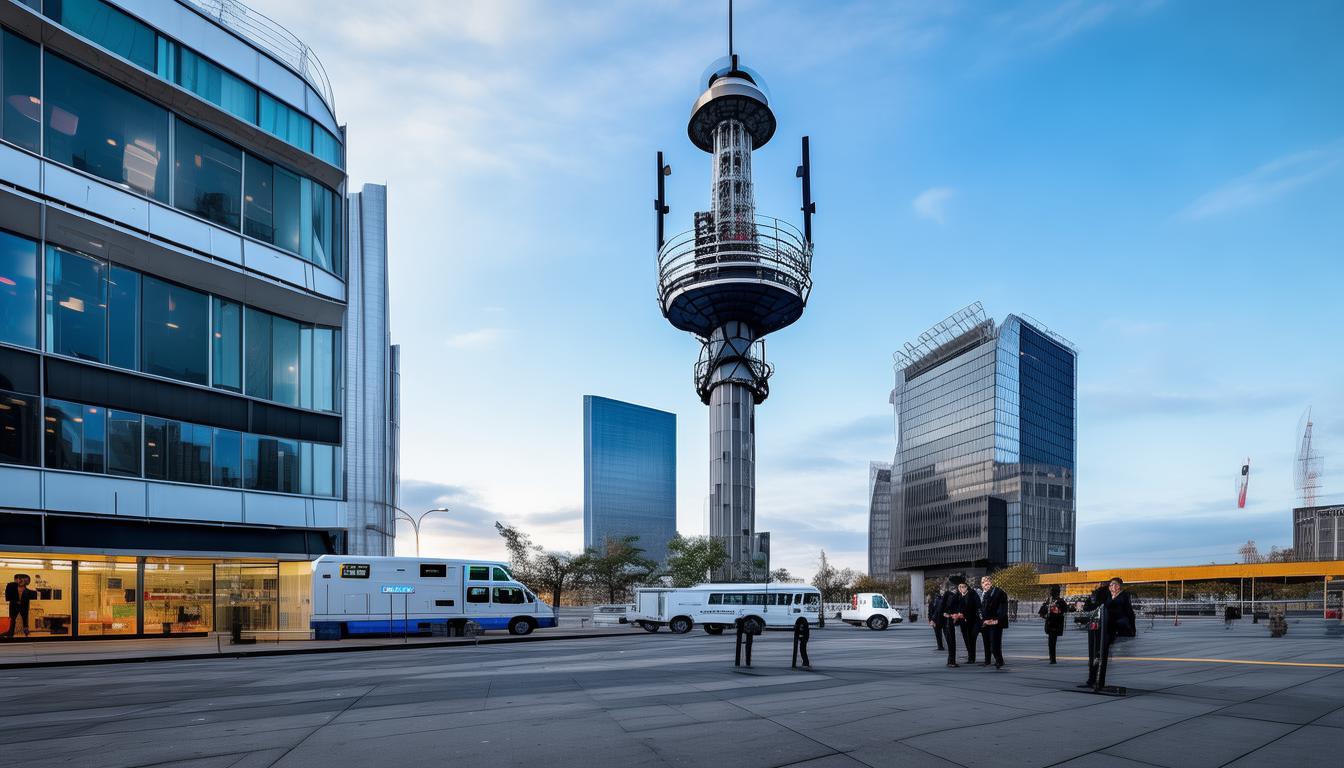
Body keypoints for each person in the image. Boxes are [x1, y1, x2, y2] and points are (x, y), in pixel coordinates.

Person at [978, 575, 1008, 668]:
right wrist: (983, 620)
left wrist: (997, 619)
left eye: (987, 582)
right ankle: (987, 661)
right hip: (985, 622)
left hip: (994, 622)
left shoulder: (998, 592)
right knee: (986, 643)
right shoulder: (981, 593)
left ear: (991, 583)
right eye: (983, 582)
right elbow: (979, 609)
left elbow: (1003, 607)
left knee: (995, 644)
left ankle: (999, 660)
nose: (985, 583)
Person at [1038, 584, 1071, 663]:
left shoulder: (1058, 601)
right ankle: (1052, 658)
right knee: (1051, 642)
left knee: (1052, 642)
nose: (1052, 592)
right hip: (1052, 623)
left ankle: (1052, 658)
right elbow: (1042, 611)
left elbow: (1065, 610)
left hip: (1055, 623)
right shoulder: (1050, 600)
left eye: (1052, 591)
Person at [940, 577, 966, 667]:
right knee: (951, 641)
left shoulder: (959, 595)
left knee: (952, 641)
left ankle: (951, 661)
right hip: (947, 620)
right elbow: (941, 608)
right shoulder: (949, 594)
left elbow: (960, 607)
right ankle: (951, 661)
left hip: (952, 619)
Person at [957, 579, 981, 665]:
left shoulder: (972, 594)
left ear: (967, 587)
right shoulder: (959, 596)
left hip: (973, 621)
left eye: (963, 587)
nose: (961, 588)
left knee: (971, 639)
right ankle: (970, 656)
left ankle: (972, 658)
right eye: (959, 587)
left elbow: (978, 607)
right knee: (966, 639)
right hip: (963, 622)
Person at [4, 574, 35, 639]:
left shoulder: (27, 591)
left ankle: (25, 632)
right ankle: (11, 632)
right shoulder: (12, 587)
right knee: (12, 619)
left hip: (23, 606)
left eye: (23, 579)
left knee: (25, 619)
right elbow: (8, 596)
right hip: (14, 605)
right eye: (19, 579)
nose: (21, 581)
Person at [928, 587, 946, 651]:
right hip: (938, 620)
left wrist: (931, 620)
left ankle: (941, 646)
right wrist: (930, 620)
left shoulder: (938, 600)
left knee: (940, 634)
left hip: (939, 620)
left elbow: (930, 612)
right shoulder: (932, 601)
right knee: (939, 634)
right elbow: (930, 612)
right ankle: (940, 646)